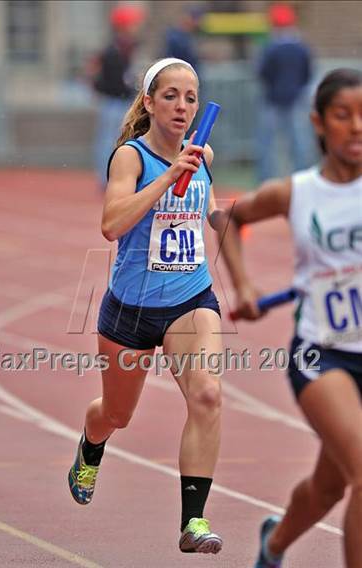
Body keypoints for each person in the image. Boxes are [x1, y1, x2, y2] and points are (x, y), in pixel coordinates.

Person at [68, 57, 228, 555]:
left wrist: (243, 227)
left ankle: (194, 521)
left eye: (191, 97)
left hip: (190, 298)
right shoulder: (130, 158)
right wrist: (169, 177)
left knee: (207, 395)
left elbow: (212, 213)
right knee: (117, 413)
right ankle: (91, 448)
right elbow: (111, 225)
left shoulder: (198, 155)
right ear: (149, 102)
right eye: (171, 96)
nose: (182, 106)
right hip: (131, 311)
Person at [219, 68, 362, 567]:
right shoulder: (296, 192)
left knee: (330, 489)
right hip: (322, 353)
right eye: (344, 116)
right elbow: (228, 218)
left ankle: (273, 544)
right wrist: (246, 285)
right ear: (318, 122)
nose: (358, 126)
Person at [256, 2, 314, 182]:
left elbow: (263, 72)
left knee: (267, 144)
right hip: (296, 99)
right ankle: (302, 178)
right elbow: (307, 72)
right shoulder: (301, 47)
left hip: (273, 100)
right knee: (299, 143)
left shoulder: (271, 47)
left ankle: (265, 180)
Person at [90, 4, 145, 189]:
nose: (136, 27)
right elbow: (110, 77)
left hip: (123, 100)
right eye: (133, 23)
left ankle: (118, 175)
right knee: (108, 140)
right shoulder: (114, 49)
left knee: (122, 139)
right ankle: (105, 178)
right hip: (113, 100)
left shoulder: (129, 47)